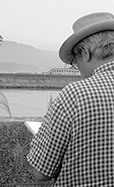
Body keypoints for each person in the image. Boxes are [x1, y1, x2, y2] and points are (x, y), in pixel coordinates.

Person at [27, 12, 114, 186]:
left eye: (75, 61)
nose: (78, 69)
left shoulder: (75, 94)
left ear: (85, 53)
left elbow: (41, 173)